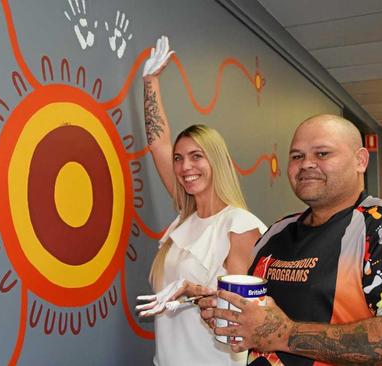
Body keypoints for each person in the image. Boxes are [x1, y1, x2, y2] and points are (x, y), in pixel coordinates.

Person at [199, 114, 382, 365]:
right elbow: (261, 323)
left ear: (360, 160)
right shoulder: (276, 233)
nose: (306, 164)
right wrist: (231, 315)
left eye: (322, 154)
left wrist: (283, 334)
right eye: (297, 156)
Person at [137, 36, 268, 366]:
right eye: (179, 159)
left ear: (217, 161)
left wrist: (191, 290)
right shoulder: (185, 219)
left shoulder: (239, 226)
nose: (184, 167)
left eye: (197, 156)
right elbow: (158, 143)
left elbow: (248, 314)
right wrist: (150, 81)